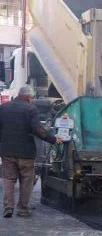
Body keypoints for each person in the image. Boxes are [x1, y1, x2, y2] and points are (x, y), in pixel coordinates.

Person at [0, 85, 61, 218]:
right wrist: (53, 139)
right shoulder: (30, 108)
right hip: (26, 153)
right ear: (28, 97)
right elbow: (37, 130)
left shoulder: (3, 108)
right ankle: (22, 209)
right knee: (26, 181)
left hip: (7, 152)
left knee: (9, 180)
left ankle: (8, 207)